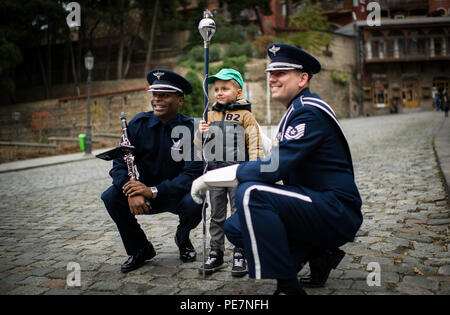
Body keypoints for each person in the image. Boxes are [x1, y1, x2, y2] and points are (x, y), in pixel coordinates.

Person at [191, 43, 363, 295]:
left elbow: (272, 169)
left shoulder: (308, 112)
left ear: (302, 78)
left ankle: (287, 287)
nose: (273, 78)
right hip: (310, 202)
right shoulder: (296, 109)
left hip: (334, 209)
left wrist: (212, 177)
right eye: (271, 73)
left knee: (250, 193)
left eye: (281, 73)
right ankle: (318, 252)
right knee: (236, 226)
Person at [101, 69, 203, 273]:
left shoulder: (193, 129)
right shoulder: (138, 124)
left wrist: (153, 190)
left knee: (197, 199)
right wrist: (131, 190)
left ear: (180, 100)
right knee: (111, 196)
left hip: (177, 194)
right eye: (155, 95)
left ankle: (182, 238)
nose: (157, 100)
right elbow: (120, 164)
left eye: (164, 95)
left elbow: (192, 174)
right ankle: (140, 248)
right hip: (144, 194)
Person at [195, 68, 263, 276]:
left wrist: (255, 169)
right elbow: (198, 146)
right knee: (216, 215)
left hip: (237, 174)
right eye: (216, 89)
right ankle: (216, 251)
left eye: (225, 88)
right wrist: (201, 132)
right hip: (215, 174)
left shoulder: (246, 116)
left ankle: (240, 251)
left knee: (238, 212)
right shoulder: (210, 114)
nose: (219, 92)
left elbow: (255, 145)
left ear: (238, 92)